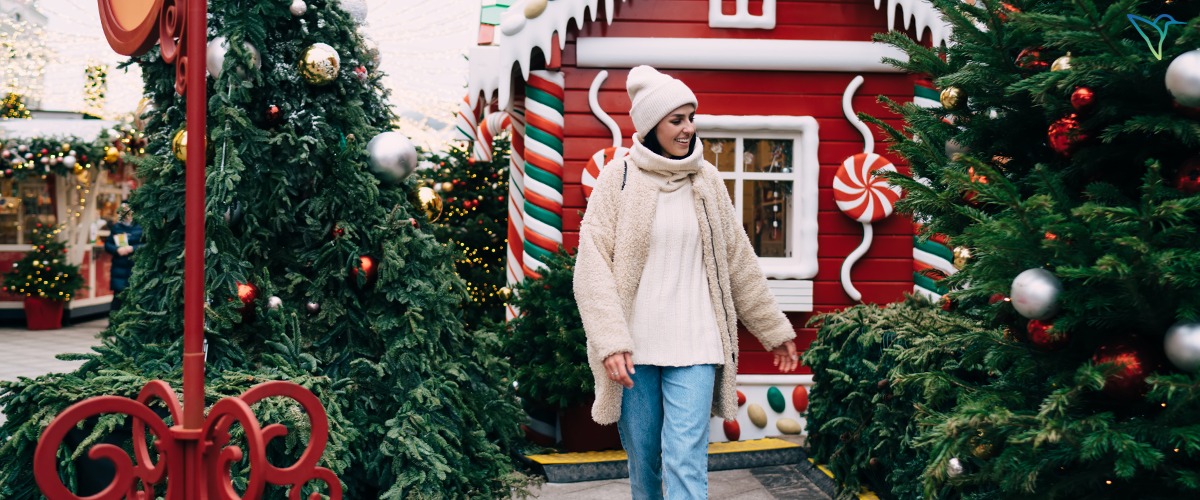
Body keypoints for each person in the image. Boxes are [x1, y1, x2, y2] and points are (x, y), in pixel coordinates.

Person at [574, 66, 799, 499]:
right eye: (677, 119)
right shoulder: (617, 180)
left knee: (685, 459)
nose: (688, 128)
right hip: (636, 348)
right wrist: (610, 340)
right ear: (651, 125)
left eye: (691, 117)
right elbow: (592, 267)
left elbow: (739, 262)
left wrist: (774, 330)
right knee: (645, 460)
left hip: (697, 344)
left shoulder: (708, 181)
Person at [104, 204, 143, 313]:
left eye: (126, 209)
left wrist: (132, 248)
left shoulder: (141, 226)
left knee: (135, 296)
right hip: (119, 267)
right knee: (118, 297)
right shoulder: (117, 227)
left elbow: (148, 244)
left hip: (136, 266)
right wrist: (117, 250)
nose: (124, 212)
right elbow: (108, 244)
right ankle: (113, 324)